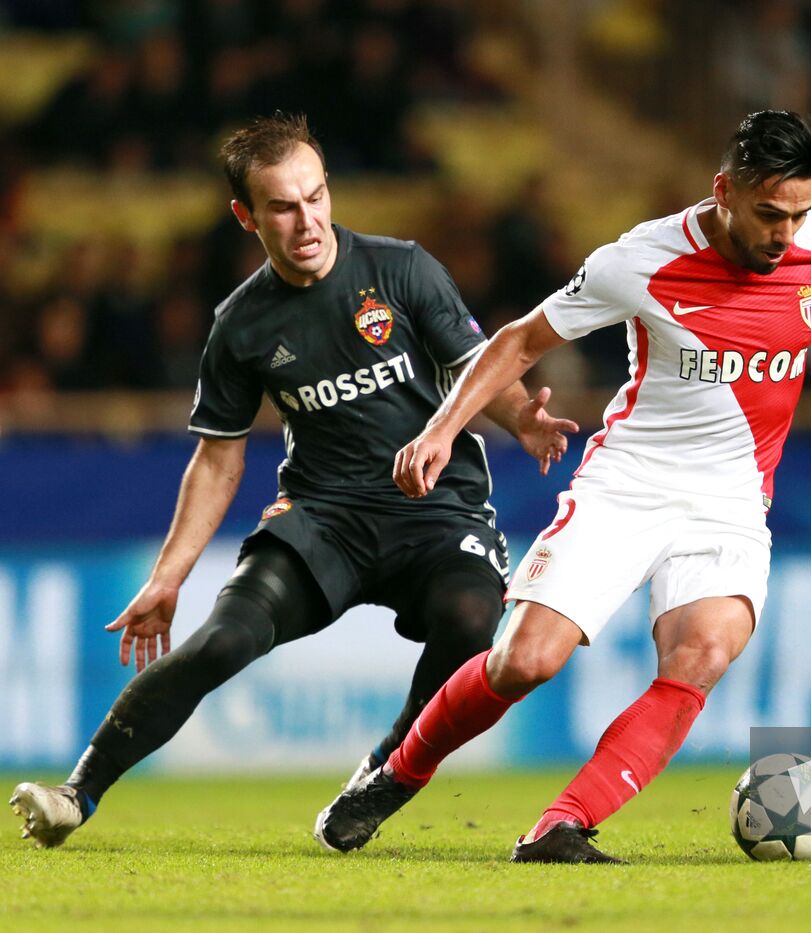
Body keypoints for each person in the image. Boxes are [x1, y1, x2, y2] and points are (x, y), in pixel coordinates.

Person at [314, 110, 811, 862]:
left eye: (798, 214)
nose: (785, 234)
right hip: (630, 481)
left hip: (733, 500)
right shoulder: (640, 261)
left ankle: (561, 825)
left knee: (702, 654)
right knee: (524, 661)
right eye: (769, 214)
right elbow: (519, 340)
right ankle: (394, 773)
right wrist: (443, 429)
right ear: (724, 192)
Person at [9, 113, 578, 848]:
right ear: (246, 215)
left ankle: (382, 774)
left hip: (436, 514)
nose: (307, 219)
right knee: (221, 640)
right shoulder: (241, 326)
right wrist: (167, 577)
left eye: (316, 196)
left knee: (473, 625)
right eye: (282, 205)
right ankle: (74, 794)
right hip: (323, 523)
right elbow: (218, 457)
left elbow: (476, 366)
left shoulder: (402, 270)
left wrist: (522, 419)